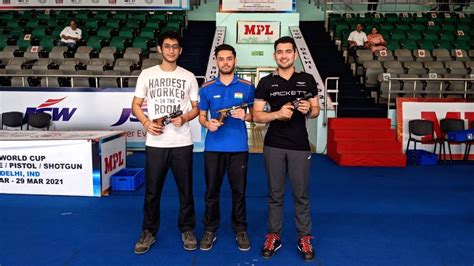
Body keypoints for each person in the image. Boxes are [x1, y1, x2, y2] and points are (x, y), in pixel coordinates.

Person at [253, 36, 320, 262]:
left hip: (300, 146)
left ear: (295, 54)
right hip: (273, 145)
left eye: (288, 51)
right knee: (275, 195)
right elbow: (256, 116)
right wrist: (277, 114)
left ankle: (304, 237)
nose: (283, 55)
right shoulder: (265, 83)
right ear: (274, 55)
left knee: (301, 195)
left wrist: (307, 109)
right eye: (279, 52)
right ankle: (274, 235)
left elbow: (316, 111)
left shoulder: (308, 79)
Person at [131, 31, 199, 255]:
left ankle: (187, 229)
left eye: (175, 46)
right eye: (167, 46)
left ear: (180, 50)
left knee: (185, 190)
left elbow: (196, 108)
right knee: (152, 191)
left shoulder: (188, 76)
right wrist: (146, 123)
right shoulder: (147, 75)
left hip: (182, 141)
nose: (171, 50)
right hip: (156, 143)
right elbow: (136, 105)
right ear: (160, 49)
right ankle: (148, 231)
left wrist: (185, 117)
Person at [198, 44, 255, 252]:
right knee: (211, 191)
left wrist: (246, 116)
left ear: (235, 60)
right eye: (221, 59)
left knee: (238, 191)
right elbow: (202, 116)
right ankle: (210, 228)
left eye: (229, 58)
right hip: (213, 148)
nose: (225, 62)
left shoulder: (248, 86)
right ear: (216, 61)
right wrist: (207, 124)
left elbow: (255, 115)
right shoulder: (206, 88)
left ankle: (240, 228)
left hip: (238, 148)